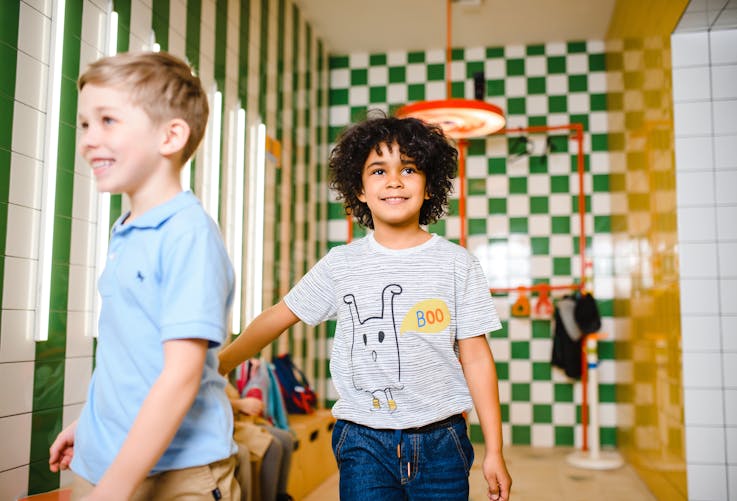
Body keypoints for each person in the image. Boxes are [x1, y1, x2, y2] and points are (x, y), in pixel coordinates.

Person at [219, 113, 512, 501]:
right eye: (378, 170)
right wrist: (218, 363)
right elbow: (279, 315)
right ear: (358, 189)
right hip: (362, 441)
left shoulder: (458, 264)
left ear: (429, 187)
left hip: (442, 440)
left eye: (408, 168)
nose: (393, 180)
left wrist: (495, 450)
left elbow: (476, 357)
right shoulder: (341, 264)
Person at [48, 51, 239, 501]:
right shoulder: (127, 230)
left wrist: (113, 488)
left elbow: (179, 379)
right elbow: (129, 355)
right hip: (107, 461)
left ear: (171, 136)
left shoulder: (187, 235)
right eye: (85, 124)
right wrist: (92, 425)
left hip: (179, 476)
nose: (89, 140)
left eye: (108, 121)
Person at [226, 359, 294, 501]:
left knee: (287, 439)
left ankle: (280, 496)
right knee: (273, 445)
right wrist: (240, 404)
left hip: (239, 419)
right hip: (230, 424)